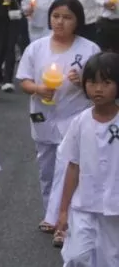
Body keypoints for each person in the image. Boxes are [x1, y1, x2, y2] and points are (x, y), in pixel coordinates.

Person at [16, 0, 99, 246]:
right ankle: (50, 213)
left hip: (75, 115)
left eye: (67, 17)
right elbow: (24, 80)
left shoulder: (89, 49)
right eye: (56, 16)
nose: (60, 22)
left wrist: (82, 81)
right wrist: (38, 89)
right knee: (47, 168)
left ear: (78, 21)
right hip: (43, 115)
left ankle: (61, 221)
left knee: (67, 165)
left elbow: (99, 85)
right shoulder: (37, 47)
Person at [56, 52, 119, 267]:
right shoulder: (80, 123)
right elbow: (73, 167)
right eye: (92, 82)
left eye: (106, 82)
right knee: (75, 256)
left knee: (109, 259)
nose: (98, 89)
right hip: (83, 203)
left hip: (114, 206)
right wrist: (63, 210)